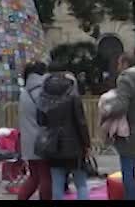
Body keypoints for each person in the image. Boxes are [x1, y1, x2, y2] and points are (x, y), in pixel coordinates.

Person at [100, 53, 135, 200]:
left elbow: (122, 105)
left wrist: (106, 108)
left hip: (129, 133)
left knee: (128, 175)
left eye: (119, 64)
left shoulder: (126, 79)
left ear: (125, 63)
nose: (118, 67)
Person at [39, 63, 90, 201]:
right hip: (74, 144)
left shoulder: (43, 95)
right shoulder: (73, 94)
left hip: (53, 144)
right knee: (81, 183)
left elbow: (41, 120)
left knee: (57, 183)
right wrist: (86, 143)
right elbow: (81, 122)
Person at [16, 61, 51, 200]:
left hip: (28, 141)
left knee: (35, 177)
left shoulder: (24, 92)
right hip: (41, 140)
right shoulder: (40, 91)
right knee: (45, 177)